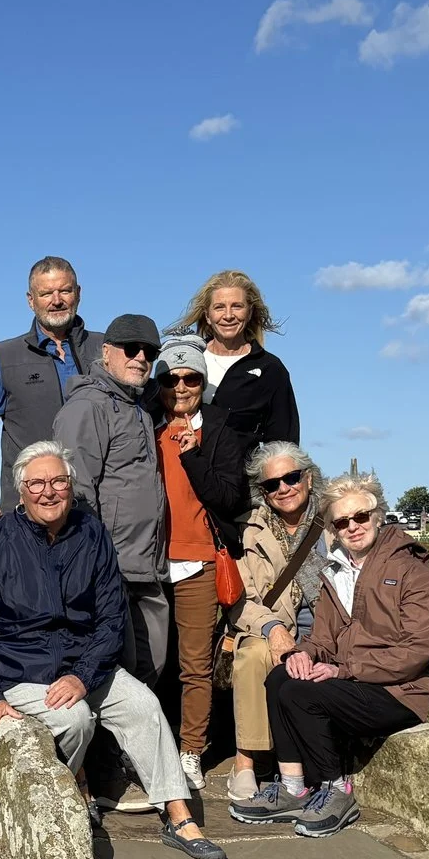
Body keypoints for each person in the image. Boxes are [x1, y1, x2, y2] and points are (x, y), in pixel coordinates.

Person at [0, 440, 225, 859]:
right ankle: (70, 798)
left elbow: (111, 618)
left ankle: (178, 814)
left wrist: (82, 675)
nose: (48, 491)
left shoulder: (90, 533)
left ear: (70, 486)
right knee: (72, 719)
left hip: (84, 666)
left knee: (144, 706)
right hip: (21, 671)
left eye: (58, 481)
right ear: (21, 490)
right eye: (37, 483)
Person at [238, 473, 429, 840]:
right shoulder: (336, 570)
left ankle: (337, 790)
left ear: (378, 515)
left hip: (399, 692)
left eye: (361, 517)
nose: (353, 527)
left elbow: (418, 650)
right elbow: (321, 636)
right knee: (280, 678)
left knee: (303, 692)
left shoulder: (410, 571)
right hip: (352, 683)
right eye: (342, 522)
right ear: (334, 530)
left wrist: (343, 670)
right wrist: (301, 654)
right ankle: (293, 787)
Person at [151, 337, 253, 792]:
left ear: (202, 381)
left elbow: (232, 498)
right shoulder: (144, 427)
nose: (181, 386)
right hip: (147, 563)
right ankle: (146, 751)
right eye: (171, 379)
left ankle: (191, 752)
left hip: (198, 561)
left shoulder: (222, 432)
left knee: (194, 665)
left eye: (191, 377)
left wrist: (193, 456)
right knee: (148, 664)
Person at [53, 313, 169, 686]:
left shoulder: (137, 407)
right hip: (110, 569)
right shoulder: (87, 407)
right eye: (131, 349)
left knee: (150, 670)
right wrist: (95, 565)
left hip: (146, 568)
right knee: (118, 678)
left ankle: (131, 747)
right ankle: (108, 748)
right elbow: (75, 493)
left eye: (149, 351)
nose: (140, 358)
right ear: (106, 352)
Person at [225, 442, 327, 817]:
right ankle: (246, 761)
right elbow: (242, 599)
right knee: (252, 653)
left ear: (308, 478)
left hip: (324, 628)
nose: (283, 488)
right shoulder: (248, 529)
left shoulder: (335, 522)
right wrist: (272, 629)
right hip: (269, 623)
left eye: (291, 478)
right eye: (272, 484)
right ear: (262, 491)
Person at [0, 256, 94, 528]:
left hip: (96, 506)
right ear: (31, 300)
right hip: (28, 506)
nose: (56, 300)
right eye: (46, 293)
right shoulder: (3, 358)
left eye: (65, 291)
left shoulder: (107, 350)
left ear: (79, 293)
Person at [170, 270, 298, 445]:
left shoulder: (270, 369)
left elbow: (283, 443)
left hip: (241, 471)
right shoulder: (187, 359)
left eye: (237, 306)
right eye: (219, 307)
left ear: (250, 312)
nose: (228, 315)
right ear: (207, 315)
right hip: (180, 468)